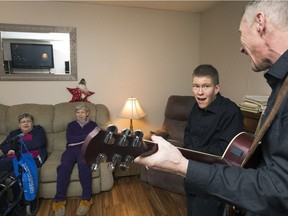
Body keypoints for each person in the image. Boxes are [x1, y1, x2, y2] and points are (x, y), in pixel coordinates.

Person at [135, 0, 288, 215]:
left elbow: (278, 187)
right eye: (195, 86)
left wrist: (182, 164)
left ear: (260, 22)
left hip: (216, 184)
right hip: (200, 181)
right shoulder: (280, 87)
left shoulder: (230, 111)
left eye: (240, 32)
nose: (241, 47)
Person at [183, 64, 243, 216]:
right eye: (196, 86)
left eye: (206, 86)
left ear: (216, 88)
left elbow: (225, 150)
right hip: (191, 175)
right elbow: (188, 133)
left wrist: (192, 156)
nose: (200, 92)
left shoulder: (231, 111)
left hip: (213, 180)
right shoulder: (195, 107)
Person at [52, 104, 97, 216]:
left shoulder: (93, 125)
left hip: (85, 150)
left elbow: (95, 139)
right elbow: (70, 140)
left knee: (84, 166)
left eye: (82, 112)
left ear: (87, 113)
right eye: (78, 112)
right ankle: (59, 201)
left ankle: (86, 200)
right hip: (71, 150)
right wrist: (86, 136)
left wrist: (80, 139)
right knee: (64, 168)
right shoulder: (71, 125)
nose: (80, 114)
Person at [0, 113, 47, 214]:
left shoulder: (38, 130)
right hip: (13, 158)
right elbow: (3, 146)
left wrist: (15, 146)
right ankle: (3, 206)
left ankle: (22, 204)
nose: (26, 124)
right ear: (19, 125)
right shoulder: (14, 133)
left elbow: (38, 142)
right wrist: (10, 148)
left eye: (28, 121)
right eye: (23, 122)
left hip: (31, 158)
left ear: (32, 123)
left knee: (17, 174)